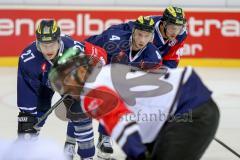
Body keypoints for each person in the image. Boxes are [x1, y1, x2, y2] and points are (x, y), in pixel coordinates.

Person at [48, 47, 220, 160]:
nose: (64, 88)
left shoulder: (92, 90)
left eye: (65, 80)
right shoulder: (105, 73)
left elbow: (120, 122)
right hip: (187, 109)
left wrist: (138, 154)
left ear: (82, 71)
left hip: (190, 109)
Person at [17, 19, 107, 160]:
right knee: (30, 121)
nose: (48, 50)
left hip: (70, 86)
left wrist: (92, 69)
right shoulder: (28, 58)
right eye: (43, 45)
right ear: (37, 42)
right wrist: (27, 117)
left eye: (51, 44)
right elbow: (26, 90)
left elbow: (101, 55)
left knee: (81, 116)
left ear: (59, 41)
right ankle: (26, 152)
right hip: (43, 84)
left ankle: (87, 156)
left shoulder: (74, 49)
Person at [85, 15, 163, 159]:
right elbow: (88, 45)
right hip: (103, 77)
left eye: (146, 36)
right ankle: (98, 139)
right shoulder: (112, 39)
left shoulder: (154, 57)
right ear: (133, 32)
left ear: (152, 37)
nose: (142, 40)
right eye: (139, 34)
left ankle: (129, 139)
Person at [91, 5, 187, 68]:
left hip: (152, 61)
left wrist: (165, 76)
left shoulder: (181, 35)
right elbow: (117, 32)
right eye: (173, 28)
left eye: (179, 28)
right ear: (163, 24)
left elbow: (172, 59)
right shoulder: (147, 26)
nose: (176, 32)